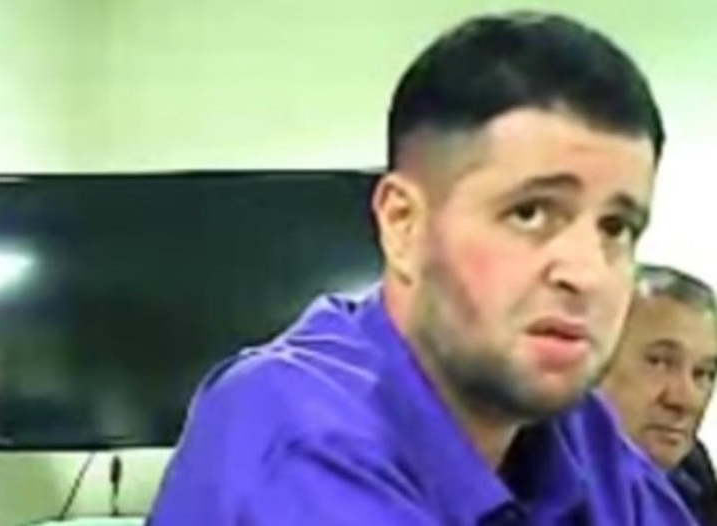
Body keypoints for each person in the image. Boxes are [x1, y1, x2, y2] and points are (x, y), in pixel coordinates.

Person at [148, 11, 697, 525]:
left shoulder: (578, 432)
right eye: (530, 213)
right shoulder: (298, 436)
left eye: (616, 227)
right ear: (403, 225)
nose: (588, 274)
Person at [601, 264, 717, 525]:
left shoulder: (693, 478)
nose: (685, 401)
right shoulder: (541, 481)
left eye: (702, 374)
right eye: (659, 362)